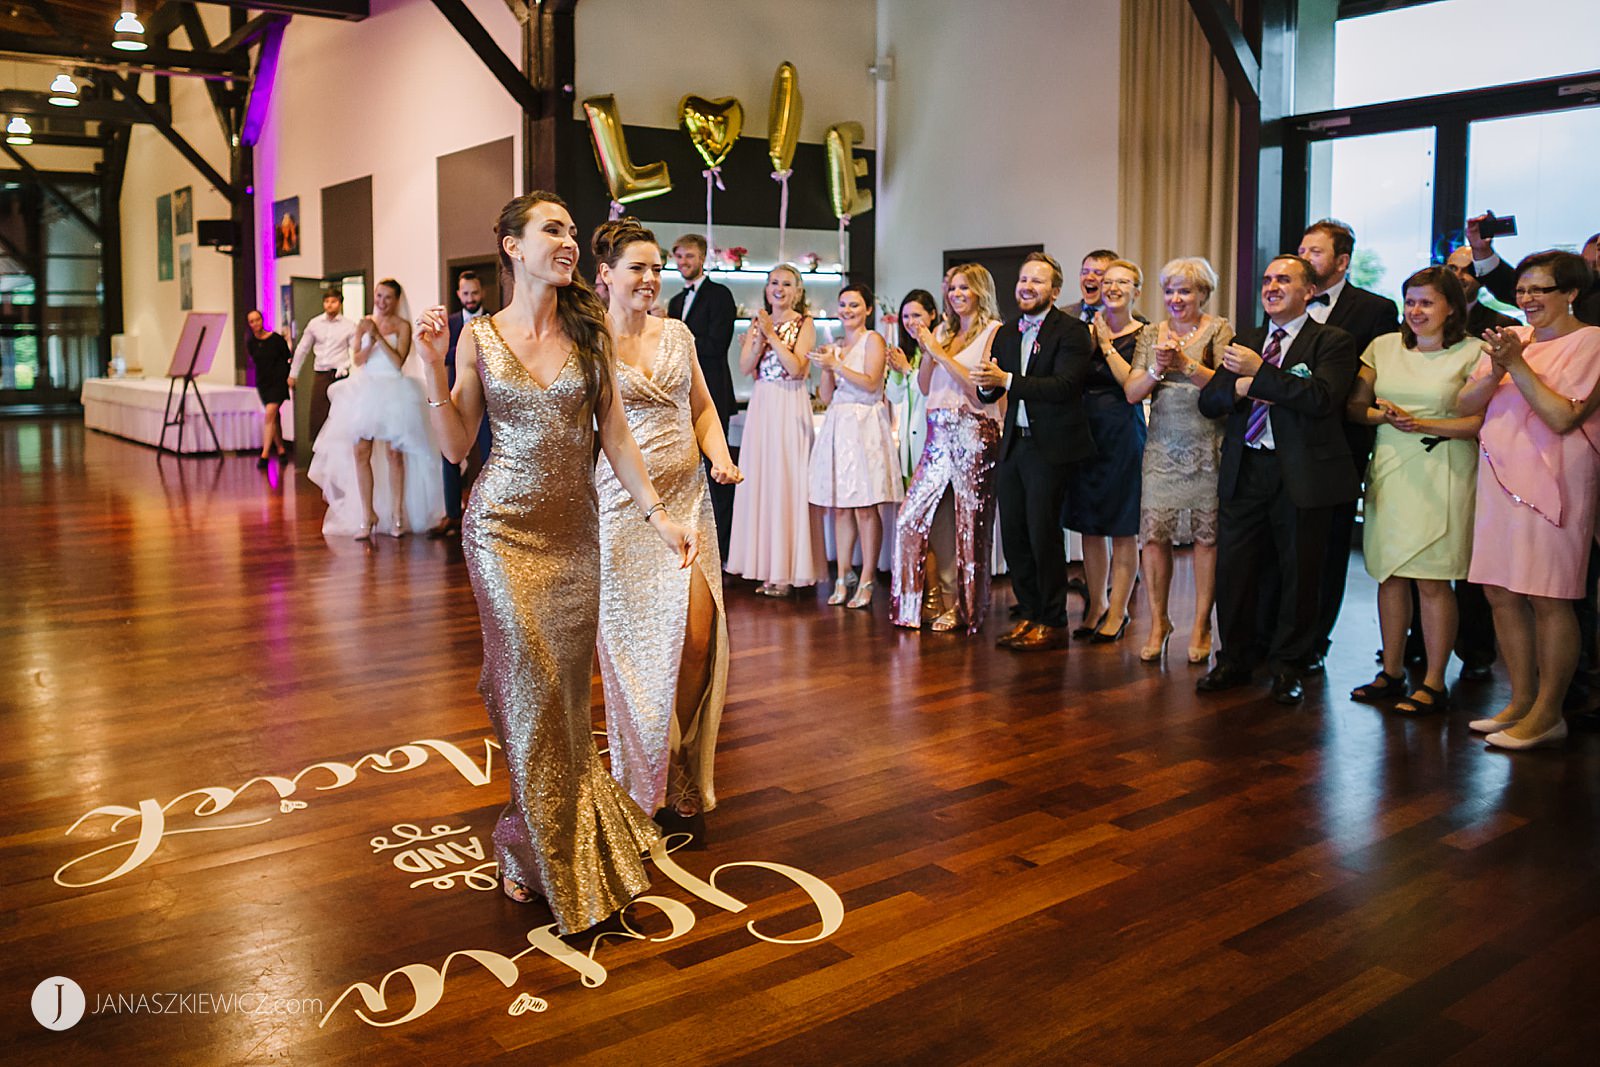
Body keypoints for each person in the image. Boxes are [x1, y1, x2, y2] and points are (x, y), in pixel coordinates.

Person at [414, 191, 696, 932]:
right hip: (501, 532)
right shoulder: (480, 335)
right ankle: (544, 850)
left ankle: (523, 838)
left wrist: (659, 516)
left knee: (565, 699)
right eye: (552, 229)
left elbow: (618, 439)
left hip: (576, 536)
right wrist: (427, 366)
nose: (568, 241)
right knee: (528, 688)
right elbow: (454, 443)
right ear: (512, 246)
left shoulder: (591, 331)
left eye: (572, 230)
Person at [590, 217, 740, 828]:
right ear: (606, 276)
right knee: (637, 654)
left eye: (656, 267)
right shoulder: (584, 341)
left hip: (688, 505)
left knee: (698, 641)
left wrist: (722, 456)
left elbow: (701, 407)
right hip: (623, 513)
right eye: (639, 268)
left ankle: (675, 755)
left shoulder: (678, 334)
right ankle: (645, 769)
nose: (652, 278)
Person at [1196, 255, 1360, 705]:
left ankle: (1289, 664)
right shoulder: (1247, 340)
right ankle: (1234, 658)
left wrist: (1259, 375)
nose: (1271, 286)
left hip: (1300, 476)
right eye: (1267, 279)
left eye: (1284, 279)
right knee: (1236, 572)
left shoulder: (1332, 341)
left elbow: (1321, 398)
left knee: (1299, 573)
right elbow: (1210, 402)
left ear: (1309, 291)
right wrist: (1238, 387)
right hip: (1245, 468)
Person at [1457, 251, 1600, 750]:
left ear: (1571, 294)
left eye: (1540, 290)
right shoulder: (1509, 339)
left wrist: (1516, 366)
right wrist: (1497, 367)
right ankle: (1520, 700)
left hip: (1556, 482)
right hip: (1500, 478)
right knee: (1500, 591)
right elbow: (1465, 406)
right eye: (1521, 291)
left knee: (1549, 596)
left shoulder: (1592, 342)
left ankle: (1549, 713)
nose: (1527, 299)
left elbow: (1563, 417)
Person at [1345, 267, 1485, 715]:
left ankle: (1434, 681)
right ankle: (1391, 670)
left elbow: (1478, 424)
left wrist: (1422, 423)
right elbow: (1354, 407)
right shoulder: (1383, 347)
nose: (1415, 310)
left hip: (1443, 467)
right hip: (1391, 462)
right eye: (1410, 301)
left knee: (1432, 577)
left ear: (1450, 307)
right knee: (1390, 574)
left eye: (1426, 302)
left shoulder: (1474, 352)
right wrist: (1383, 418)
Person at [970, 253, 1094, 651]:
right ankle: (1027, 610)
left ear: (1055, 291)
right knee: (1016, 532)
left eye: (1037, 282)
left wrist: (1006, 379)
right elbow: (992, 388)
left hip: (1050, 446)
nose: (1026, 287)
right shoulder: (1007, 333)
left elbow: (1064, 387)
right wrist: (988, 386)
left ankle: (1052, 618)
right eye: (1023, 280)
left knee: (1043, 532)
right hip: (1014, 444)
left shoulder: (1072, 332)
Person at [1297, 219, 1400, 674]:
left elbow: (1367, 382)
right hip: (1286, 439)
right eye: (1301, 249)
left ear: (1342, 261)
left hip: (1339, 442)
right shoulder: (1288, 299)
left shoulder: (1374, 310)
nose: (1304, 259)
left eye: (1314, 252)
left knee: (1330, 545)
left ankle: (1316, 638)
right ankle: (1278, 633)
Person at [1123, 257, 1231, 663]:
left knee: (1207, 538)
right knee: (1153, 537)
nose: (1175, 298)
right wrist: (1156, 368)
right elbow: (1133, 392)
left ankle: (1202, 623)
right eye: (1169, 290)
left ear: (1203, 293)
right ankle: (1158, 622)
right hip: (1162, 447)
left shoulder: (1219, 329)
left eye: (1184, 291)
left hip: (1205, 444)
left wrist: (1186, 365)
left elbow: (1226, 388)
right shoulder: (1151, 333)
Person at [891, 265, 1003, 633]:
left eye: (964, 289)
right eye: (952, 288)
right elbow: (924, 386)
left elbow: (979, 391)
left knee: (969, 526)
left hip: (974, 429)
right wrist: (928, 352)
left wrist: (939, 353)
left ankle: (966, 608)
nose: (955, 295)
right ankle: (913, 603)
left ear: (979, 292)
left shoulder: (992, 333)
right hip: (937, 433)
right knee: (910, 516)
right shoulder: (943, 331)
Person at [306, 278, 445, 539]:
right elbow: (357, 359)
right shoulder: (364, 322)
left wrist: (379, 335)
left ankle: (397, 514)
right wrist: (368, 338)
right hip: (366, 388)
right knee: (361, 451)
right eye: (379, 296)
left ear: (396, 300)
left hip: (394, 390)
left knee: (395, 453)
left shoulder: (403, 326)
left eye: (387, 298)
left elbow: (397, 361)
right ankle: (367, 514)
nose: (381, 302)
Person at [727, 265, 825, 596]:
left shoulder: (805, 324)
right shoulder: (759, 321)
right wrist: (757, 337)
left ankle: (788, 571)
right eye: (773, 283)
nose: (778, 289)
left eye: (786, 284)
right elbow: (743, 367)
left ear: (798, 290)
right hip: (763, 405)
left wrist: (771, 336)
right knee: (763, 482)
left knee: (787, 480)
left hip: (789, 403)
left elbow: (798, 368)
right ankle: (765, 566)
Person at [1068, 260, 1149, 642]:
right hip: (1085, 432)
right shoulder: (1082, 329)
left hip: (1122, 431)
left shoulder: (1145, 334)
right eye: (1107, 280)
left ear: (1136, 290)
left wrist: (1104, 345)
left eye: (1122, 282)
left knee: (1121, 526)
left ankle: (1119, 611)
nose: (1112, 287)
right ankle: (1096, 603)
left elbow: (1132, 384)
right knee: (1090, 523)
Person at [808, 284, 903, 609]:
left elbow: (872, 382)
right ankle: (843, 572)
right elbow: (824, 396)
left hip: (865, 424)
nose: (847, 310)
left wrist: (838, 366)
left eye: (854, 305)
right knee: (840, 505)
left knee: (865, 505)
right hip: (839, 422)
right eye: (843, 305)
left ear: (867, 310)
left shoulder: (873, 340)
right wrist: (825, 368)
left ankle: (867, 576)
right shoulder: (835, 344)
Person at [668, 233, 739, 557]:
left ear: (703, 258)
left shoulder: (720, 295)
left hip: (713, 391)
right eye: (679, 257)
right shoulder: (675, 302)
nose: (684, 262)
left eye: (690, 257)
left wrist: (682, 340)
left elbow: (716, 344)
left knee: (718, 473)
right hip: (680, 398)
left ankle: (720, 550)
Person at [429, 270, 494, 538]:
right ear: (459, 295)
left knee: (490, 454)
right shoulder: (451, 325)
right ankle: (453, 514)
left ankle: (489, 514)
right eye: (465, 293)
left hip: (489, 401)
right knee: (450, 455)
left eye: (474, 293)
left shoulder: (494, 323)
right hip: (457, 397)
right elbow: (442, 363)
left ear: (482, 292)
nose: (470, 298)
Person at [1465, 218, 1600, 326]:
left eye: (1537, 290)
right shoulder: (1521, 339)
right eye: (1587, 265)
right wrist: (1482, 251)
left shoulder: (1589, 337)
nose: (1526, 299)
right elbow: (1507, 285)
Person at [885, 290, 940, 489]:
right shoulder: (909, 350)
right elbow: (895, 396)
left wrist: (907, 370)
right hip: (908, 438)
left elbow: (929, 389)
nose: (910, 322)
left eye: (917, 315)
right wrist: (896, 371)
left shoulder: (939, 348)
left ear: (932, 315)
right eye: (906, 317)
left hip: (932, 436)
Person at [288, 288, 356, 445]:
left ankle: (341, 449)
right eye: (326, 302)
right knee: (319, 414)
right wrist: (293, 374)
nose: (329, 305)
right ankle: (319, 451)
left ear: (339, 303)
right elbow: (302, 349)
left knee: (341, 414)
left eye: (333, 302)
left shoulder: (349, 325)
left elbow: (357, 349)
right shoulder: (315, 323)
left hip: (340, 374)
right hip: (321, 373)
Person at [245, 309, 291, 467]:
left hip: (277, 381)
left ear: (262, 320)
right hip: (263, 382)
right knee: (274, 417)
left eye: (257, 319)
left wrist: (288, 377)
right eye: (251, 321)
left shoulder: (276, 339)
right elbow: (255, 361)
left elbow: (286, 356)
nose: (255, 323)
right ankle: (281, 450)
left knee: (270, 414)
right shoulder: (251, 343)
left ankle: (264, 455)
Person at [1062, 249, 1117, 323]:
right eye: (1085, 272)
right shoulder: (1063, 315)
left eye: (1098, 273)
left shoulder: (1129, 319)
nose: (1089, 277)